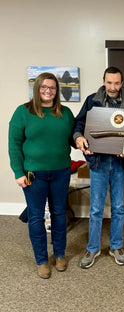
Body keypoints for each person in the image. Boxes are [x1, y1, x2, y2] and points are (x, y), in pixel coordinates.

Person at [8, 72, 74, 279]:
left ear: (57, 90)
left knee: (59, 214)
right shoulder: (23, 112)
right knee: (36, 217)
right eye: (44, 87)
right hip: (33, 174)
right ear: (37, 88)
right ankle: (42, 260)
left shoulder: (65, 113)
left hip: (61, 171)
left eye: (52, 88)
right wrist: (18, 172)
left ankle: (60, 255)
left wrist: (85, 143)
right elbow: (14, 145)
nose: (48, 91)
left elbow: (75, 138)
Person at [73, 66, 124, 268]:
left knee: (119, 207)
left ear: (122, 83)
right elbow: (78, 125)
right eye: (109, 82)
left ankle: (116, 246)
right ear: (104, 81)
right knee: (95, 209)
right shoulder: (91, 100)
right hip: (98, 162)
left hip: (120, 163)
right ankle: (93, 249)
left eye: (117, 83)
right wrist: (79, 138)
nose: (113, 87)